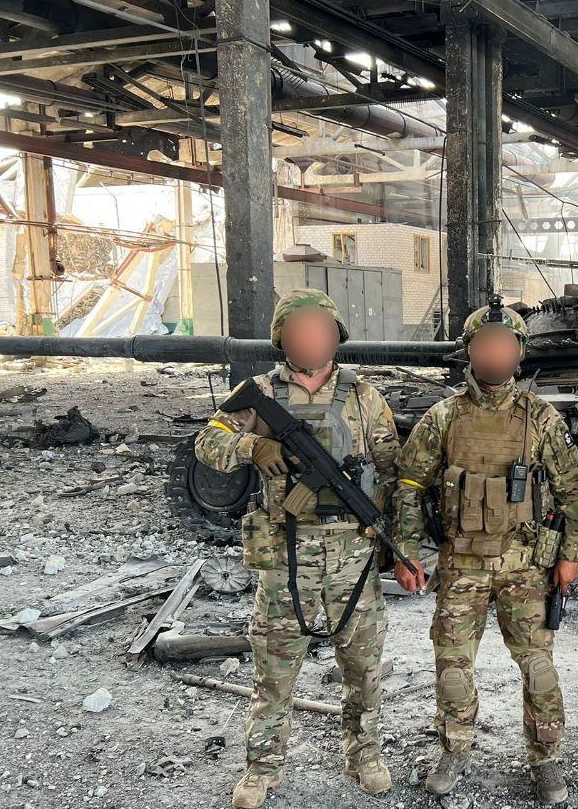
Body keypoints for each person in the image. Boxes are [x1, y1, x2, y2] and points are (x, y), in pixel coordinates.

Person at [195, 289, 401, 808]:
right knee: (275, 672)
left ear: (336, 336)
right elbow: (207, 445)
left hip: (354, 556)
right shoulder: (259, 392)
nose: (311, 338)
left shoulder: (364, 396)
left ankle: (365, 754)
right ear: (282, 338)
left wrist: (400, 541)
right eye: (300, 330)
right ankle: (262, 768)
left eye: (321, 329)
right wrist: (252, 445)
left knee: (363, 669)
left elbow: (394, 468)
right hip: (285, 556)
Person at [391, 298, 578, 805]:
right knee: (453, 666)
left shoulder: (540, 419)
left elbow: (569, 492)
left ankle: (546, 758)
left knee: (538, 668)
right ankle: (455, 748)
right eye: (485, 343)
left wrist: (571, 554)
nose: (495, 352)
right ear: (470, 351)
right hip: (461, 567)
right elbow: (410, 484)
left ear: (518, 352)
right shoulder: (443, 417)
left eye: (504, 344)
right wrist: (406, 549)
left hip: (525, 566)